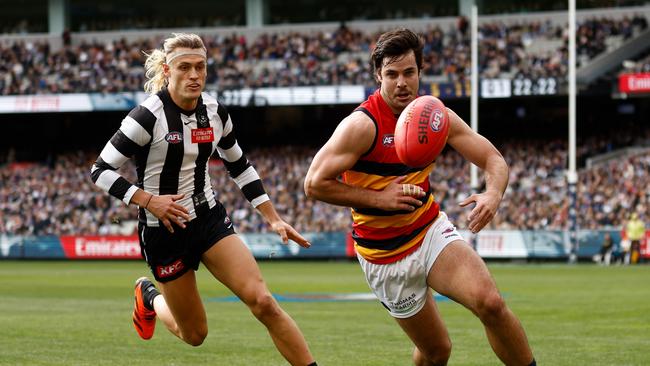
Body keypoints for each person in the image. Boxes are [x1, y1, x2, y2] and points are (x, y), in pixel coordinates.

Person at [304, 28, 535, 366]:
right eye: (392, 74)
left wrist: (493, 194)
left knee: (491, 303)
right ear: (377, 75)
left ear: (420, 72)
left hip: (429, 233)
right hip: (385, 257)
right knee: (437, 351)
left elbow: (493, 159)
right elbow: (313, 183)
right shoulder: (362, 125)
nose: (401, 83)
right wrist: (379, 198)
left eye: (409, 73)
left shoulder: (435, 116)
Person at [90, 33, 317, 366]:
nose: (194, 75)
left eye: (200, 67)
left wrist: (273, 217)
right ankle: (149, 298)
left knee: (264, 302)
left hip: (208, 219)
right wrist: (148, 201)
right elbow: (100, 170)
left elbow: (239, 165)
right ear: (167, 70)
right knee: (195, 335)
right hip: (163, 230)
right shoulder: (146, 117)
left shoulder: (215, 112)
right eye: (185, 67)